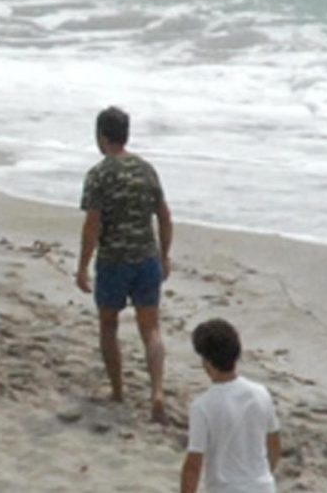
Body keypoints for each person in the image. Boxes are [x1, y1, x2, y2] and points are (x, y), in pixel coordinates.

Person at [75, 105, 174, 422]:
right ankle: (156, 392)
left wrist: (82, 266)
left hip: (114, 261)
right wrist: (165, 254)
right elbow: (164, 216)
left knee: (108, 325)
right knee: (152, 330)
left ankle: (118, 390)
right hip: (146, 258)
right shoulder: (146, 170)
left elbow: (93, 225)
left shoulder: (100, 174)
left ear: (102, 136)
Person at [182, 318, 281, 493]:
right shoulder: (261, 393)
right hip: (262, 486)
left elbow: (193, 465)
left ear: (207, 362)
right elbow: (274, 445)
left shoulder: (203, 406)